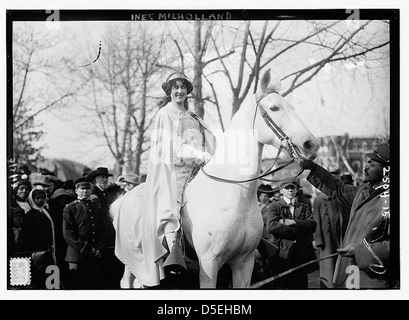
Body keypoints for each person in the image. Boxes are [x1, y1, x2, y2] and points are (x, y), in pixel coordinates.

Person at [116, 71, 216, 287]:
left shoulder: (194, 117)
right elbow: (173, 147)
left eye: (183, 87)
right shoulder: (165, 114)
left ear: (188, 91)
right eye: (175, 88)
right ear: (169, 91)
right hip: (174, 172)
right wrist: (201, 155)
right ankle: (172, 257)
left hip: (198, 169)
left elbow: (209, 142)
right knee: (170, 208)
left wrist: (214, 156)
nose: (179, 91)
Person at [299, 143, 391, 288]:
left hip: (373, 282)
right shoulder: (363, 192)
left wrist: (359, 251)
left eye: (372, 164)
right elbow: (338, 188)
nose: (365, 167)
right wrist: (312, 167)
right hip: (351, 275)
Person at [265, 180, 318, 289]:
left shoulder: (304, 207)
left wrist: (294, 222)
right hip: (282, 254)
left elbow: (312, 225)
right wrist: (298, 229)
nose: (290, 190)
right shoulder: (275, 206)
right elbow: (271, 226)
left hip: (301, 254)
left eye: (292, 188)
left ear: (296, 190)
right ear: (281, 191)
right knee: (282, 286)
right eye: (287, 188)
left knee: (301, 286)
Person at [62, 177, 109, 289]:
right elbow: (69, 234)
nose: (85, 191)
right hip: (78, 256)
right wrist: (88, 249)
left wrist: (99, 248)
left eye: (88, 189)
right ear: (76, 190)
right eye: (82, 189)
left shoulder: (96, 207)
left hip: (95, 255)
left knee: (92, 285)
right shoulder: (70, 208)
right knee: (77, 286)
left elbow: (104, 228)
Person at [312, 172, 352, 288]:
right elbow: (316, 220)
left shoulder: (341, 198)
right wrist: (318, 240)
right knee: (328, 265)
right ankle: (328, 287)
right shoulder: (319, 200)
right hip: (327, 237)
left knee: (343, 262)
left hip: (342, 234)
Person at [22, 188, 56, 288]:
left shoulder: (45, 212)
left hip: (48, 249)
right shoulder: (30, 215)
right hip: (37, 252)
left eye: (42, 198)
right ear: (32, 199)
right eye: (37, 198)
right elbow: (30, 235)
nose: (40, 200)